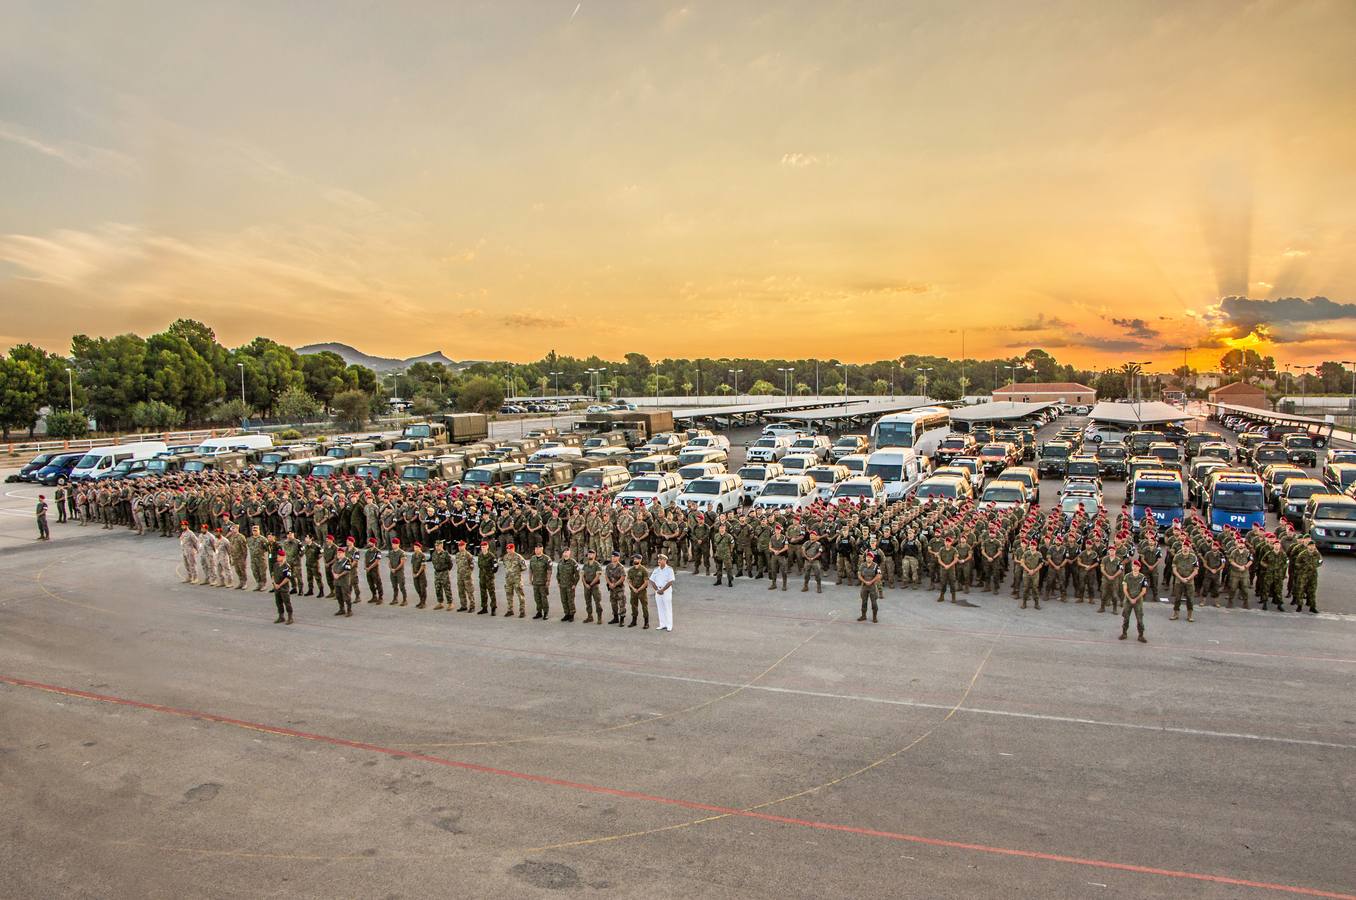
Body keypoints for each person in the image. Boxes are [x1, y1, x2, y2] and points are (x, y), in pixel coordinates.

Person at [1119, 559, 1148, 643]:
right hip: (1128, 600)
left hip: (1138, 601)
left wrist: (1135, 599)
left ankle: (1141, 635)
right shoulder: (1127, 576)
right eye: (1133, 566)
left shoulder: (1143, 577)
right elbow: (1125, 589)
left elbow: (1144, 591)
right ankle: (1124, 633)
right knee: (1126, 618)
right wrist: (1130, 598)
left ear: (1139, 567)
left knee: (1139, 619)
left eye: (1137, 566)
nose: (1135, 568)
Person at [650, 552, 675, 632]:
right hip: (658, 590)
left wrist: (662, 590)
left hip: (666, 591)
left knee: (667, 608)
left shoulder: (669, 569)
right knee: (660, 608)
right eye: (658, 559)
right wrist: (657, 590)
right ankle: (662, 624)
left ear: (665, 560)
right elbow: (652, 580)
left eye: (660, 559)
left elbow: (670, 582)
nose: (659, 561)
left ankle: (669, 625)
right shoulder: (656, 570)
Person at [272, 550, 294, 624]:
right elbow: (273, 575)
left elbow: (287, 578)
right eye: (277, 556)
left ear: (283, 557)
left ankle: (290, 617)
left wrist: (280, 585)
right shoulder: (275, 565)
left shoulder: (286, 566)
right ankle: (281, 616)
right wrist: (274, 584)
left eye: (279, 556)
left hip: (283, 588)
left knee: (287, 602)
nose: (277, 557)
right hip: (276, 587)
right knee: (278, 602)